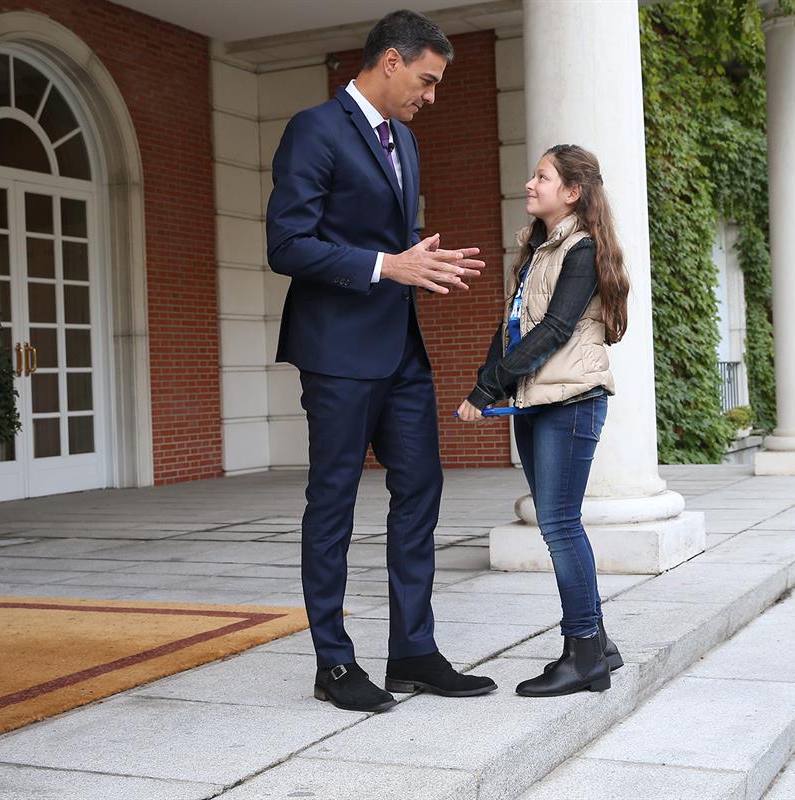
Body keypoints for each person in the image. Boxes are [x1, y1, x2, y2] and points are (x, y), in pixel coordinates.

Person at [266, 9, 495, 713]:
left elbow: (394, 250)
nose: (430, 95)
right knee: (332, 503)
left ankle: (413, 651)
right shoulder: (315, 129)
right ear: (389, 62)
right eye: (425, 80)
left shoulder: (406, 142)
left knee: (421, 489)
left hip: (400, 351)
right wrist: (387, 265)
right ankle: (334, 664)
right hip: (336, 353)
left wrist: (417, 264)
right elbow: (287, 244)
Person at [456, 144, 629, 697]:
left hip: (570, 402)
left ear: (572, 193)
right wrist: (483, 385)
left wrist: (488, 389)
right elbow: (510, 329)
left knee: (558, 525)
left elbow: (553, 331)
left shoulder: (579, 249)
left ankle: (583, 656)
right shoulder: (539, 251)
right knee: (559, 522)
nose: (530, 185)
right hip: (538, 403)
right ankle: (598, 644)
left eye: (542, 177)